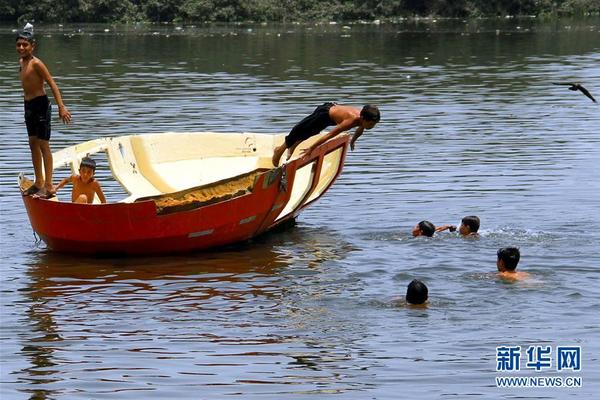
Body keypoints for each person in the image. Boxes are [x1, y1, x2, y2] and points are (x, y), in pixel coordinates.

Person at [17, 23, 72, 199]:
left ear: (33, 46)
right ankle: (38, 182)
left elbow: (52, 84)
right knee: (32, 143)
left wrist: (61, 106)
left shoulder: (37, 63)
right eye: (19, 44)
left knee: (43, 145)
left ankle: (49, 186)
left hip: (41, 105)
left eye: (25, 44)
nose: (21, 47)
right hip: (29, 107)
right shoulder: (21, 62)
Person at [272, 103, 380, 166]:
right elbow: (329, 135)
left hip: (330, 116)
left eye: (374, 124)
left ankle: (293, 146)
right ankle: (279, 150)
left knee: (310, 132)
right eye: (371, 124)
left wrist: (353, 141)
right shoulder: (351, 121)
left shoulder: (362, 121)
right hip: (324, 114)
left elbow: (360, 130)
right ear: (363, 118)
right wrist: (311, 148)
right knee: (299, 130)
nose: (372, 126)